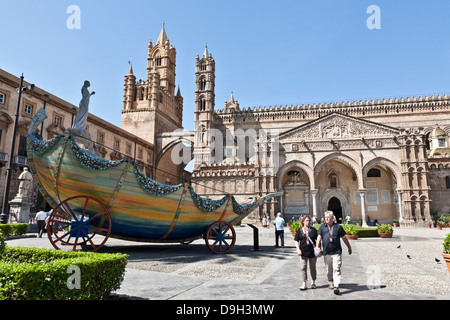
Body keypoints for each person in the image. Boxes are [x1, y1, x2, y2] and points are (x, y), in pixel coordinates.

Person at [316, 210, 352, 295]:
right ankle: (331, 282)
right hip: (326, 252)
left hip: (336, 252)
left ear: (332, 218)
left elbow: (344, 238)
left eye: (328, 217)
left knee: (337, 268)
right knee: (329, 270)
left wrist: (349, 247)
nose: (327, 219)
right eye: (326, 217)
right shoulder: (322, 227)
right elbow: (319, 238)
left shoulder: (338, 227)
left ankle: (336, 286)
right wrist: (318, 247)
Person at [294, 215, 318, 290]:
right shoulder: (300, 230)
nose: (308, 222)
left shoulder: (313, 230)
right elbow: (296, 240)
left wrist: (318, 247)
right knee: (303, 267)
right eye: (307, 220)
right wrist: (298, 249)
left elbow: (318, 239)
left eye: (309, 220)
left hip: (312, 252)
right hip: (303, 252)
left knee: (313, 267)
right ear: (303, 222)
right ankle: (304, 283)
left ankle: (313, 282)